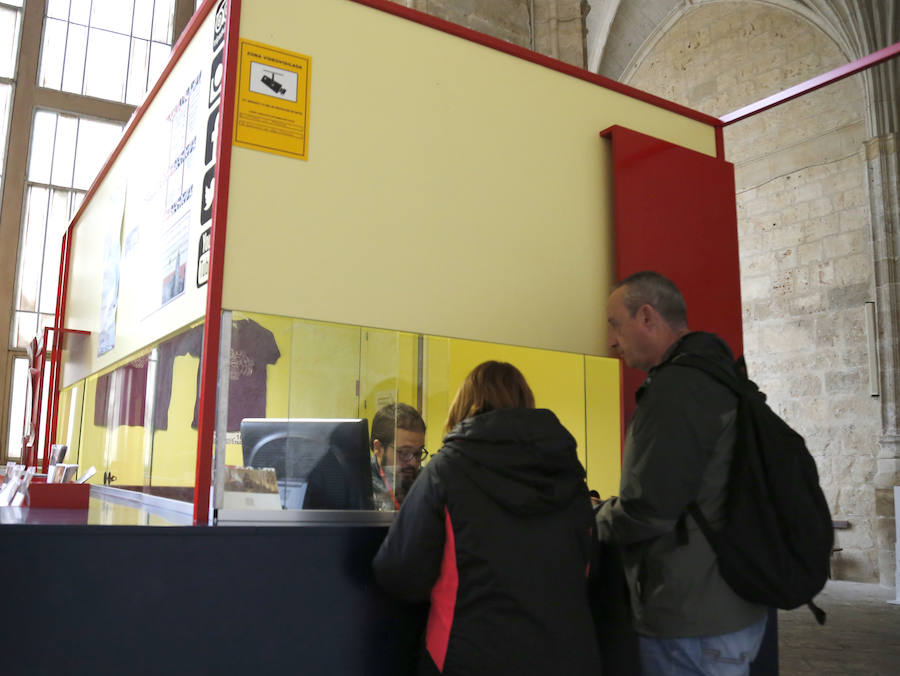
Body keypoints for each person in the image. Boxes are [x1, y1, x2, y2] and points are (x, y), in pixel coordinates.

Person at [373, 361, 601, 676]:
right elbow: (588, 564)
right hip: (566, 657)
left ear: (466, 405)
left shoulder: (448, 470)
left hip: (469, 656)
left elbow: (401, 572)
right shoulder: (569, 473)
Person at [596, 270, 767, 675]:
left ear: (647, 317)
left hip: (693, 621)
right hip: (735, 605)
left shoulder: (675, 391)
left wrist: (593, 516)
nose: (612, 341)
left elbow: (648, 511)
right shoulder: (719, 375)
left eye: (615, 325)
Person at [370, 402, 427, 510]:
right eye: (404, 453)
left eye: (418, 453)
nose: (414, 462)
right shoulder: (360, 485)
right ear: (378, 448)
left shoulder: (426, 481)